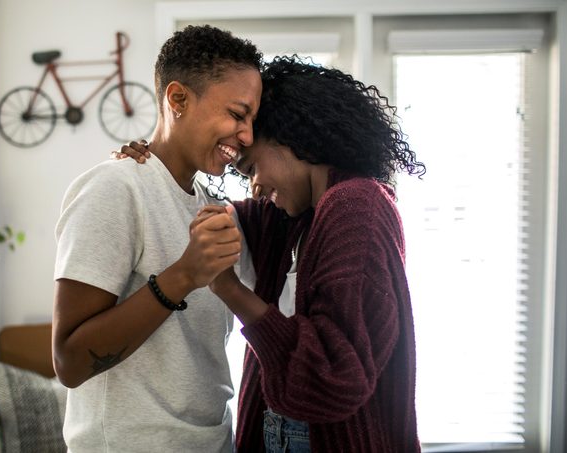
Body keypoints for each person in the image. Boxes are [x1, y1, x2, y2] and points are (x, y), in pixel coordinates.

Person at [118, 55, 425, 452]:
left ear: (292, 138)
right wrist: (153, 162)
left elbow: (335, 375)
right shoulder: (292, 218)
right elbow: (203, 212)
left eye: (251, 169)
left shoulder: (357, 206)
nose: (255, 188)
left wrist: (229, 289)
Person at [52, 25, 263, 452]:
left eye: (253, 121)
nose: (247, 136)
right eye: (238, 114)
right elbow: (70, 363)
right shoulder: (114, 189)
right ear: (178, 99)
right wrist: (183, 275)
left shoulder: (214, 207)